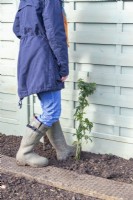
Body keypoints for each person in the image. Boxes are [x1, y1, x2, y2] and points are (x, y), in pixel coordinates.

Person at [13, 0, 74, 168]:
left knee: (49, 106)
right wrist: (63, 66)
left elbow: (17, 29)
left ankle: (62, 149)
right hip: (44, 56)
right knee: (52, 111)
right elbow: (55, 33)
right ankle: (24, 153)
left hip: (29, 54)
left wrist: (33, 39)